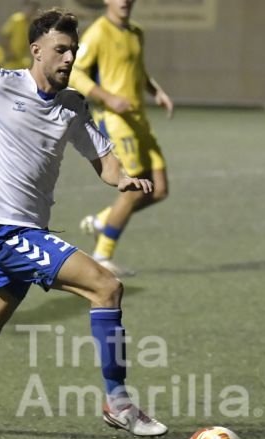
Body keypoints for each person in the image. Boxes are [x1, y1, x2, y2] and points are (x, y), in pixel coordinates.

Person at [0, 7, 168, 437]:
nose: (68, 59)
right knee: (106, 286)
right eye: (60, 50)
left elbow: (104, 161)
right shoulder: (0, 84)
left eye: (73, 51)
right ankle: (118, 400)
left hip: (29, 233)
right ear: (36, 50)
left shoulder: (72, 105)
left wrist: (123, 179)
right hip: (8, 234)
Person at [68, 0, 173, 277]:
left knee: (159, 189)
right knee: (135, 188)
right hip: (115, 121)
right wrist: (108, 98)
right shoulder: (98, 33)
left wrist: (156, 91)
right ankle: (102, 256)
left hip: (139, 120)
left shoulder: (136, 32)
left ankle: (101, 220)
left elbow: (138, 70)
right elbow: (75, 73)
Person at [1, 0, 39, 69]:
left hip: (24, 61)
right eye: (30, 8)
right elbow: (5, 36)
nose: (32, 11)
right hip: (12, 60)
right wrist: (9, 52)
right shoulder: (16, 19)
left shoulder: (32, 24)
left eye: (34, 9)